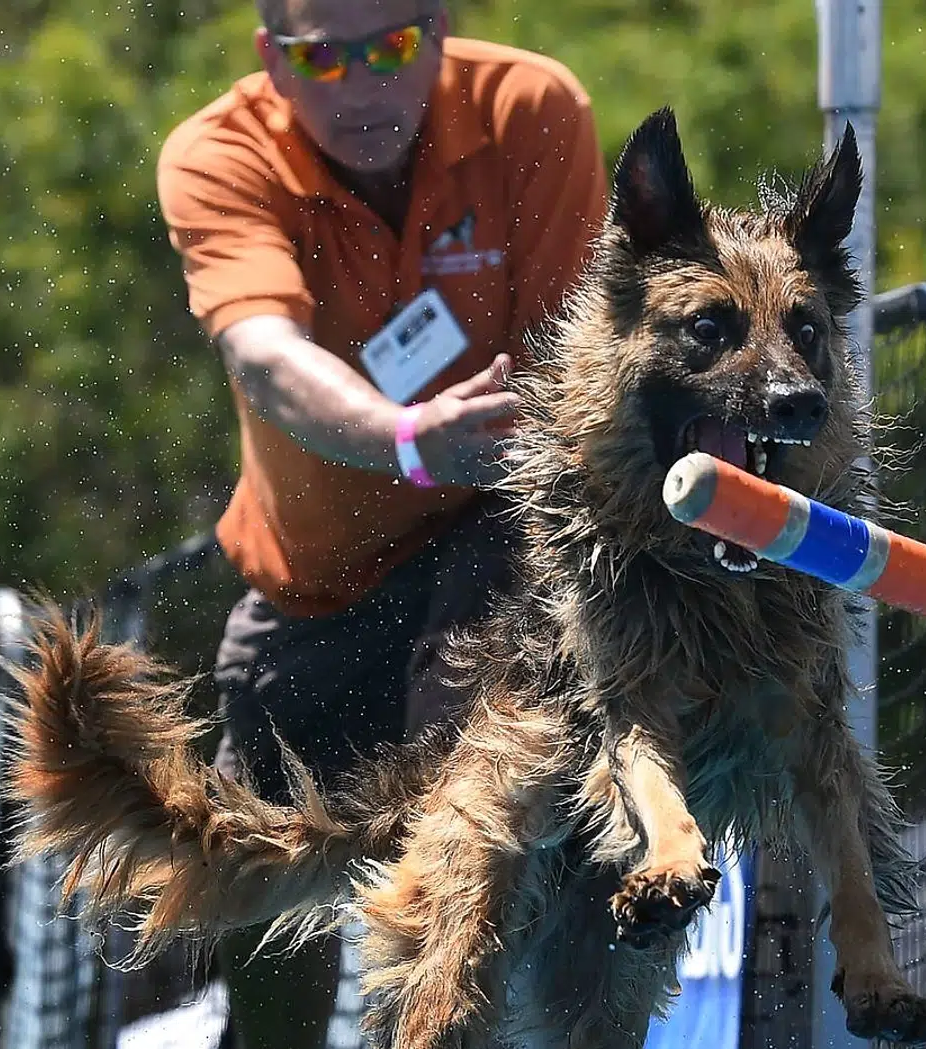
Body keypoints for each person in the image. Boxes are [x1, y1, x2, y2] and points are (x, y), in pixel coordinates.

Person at [154, 0, 609, 1044]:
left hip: (499, 529)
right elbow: (266, 356)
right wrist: (405, 436)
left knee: (466, 816)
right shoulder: (216, 154)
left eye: (392, 47)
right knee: (260, 916)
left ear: (438, 29)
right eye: (321, 58)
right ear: (273, 58)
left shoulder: (533, 109)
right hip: (315, 581)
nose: (360, 86)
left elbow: (577, 362)